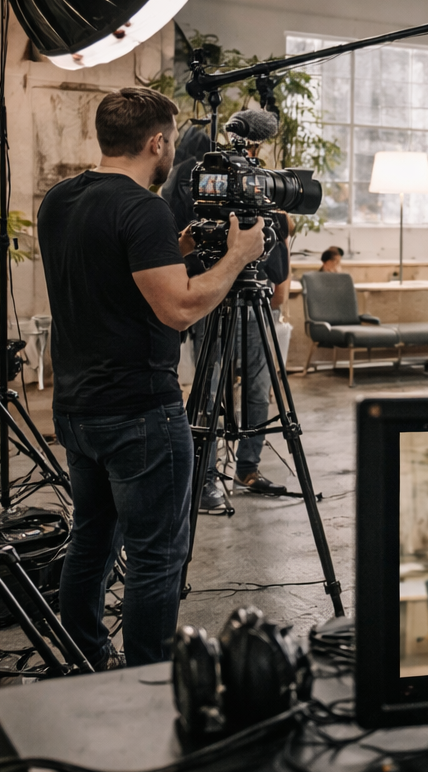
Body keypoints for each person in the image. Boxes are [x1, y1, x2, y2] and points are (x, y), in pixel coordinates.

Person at [39, 87, 265, 668]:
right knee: (155, 558)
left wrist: (176, 248)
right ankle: (144, 685)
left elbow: (109, 277)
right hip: (139, 413)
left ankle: (86, 659)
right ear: (157, 141)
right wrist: (237, 255)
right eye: (169, 143)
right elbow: (181, 309)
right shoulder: (143, 209)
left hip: (77, 408)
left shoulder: (59, 200)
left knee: (90, 539)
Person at [162, 109, 292, 506]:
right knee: (210, 389)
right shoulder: (191, 175)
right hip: (211, 294)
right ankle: (203, 478)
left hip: (254, 294)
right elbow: (182, 237)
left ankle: (246, 469)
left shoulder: (252, 177)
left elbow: (273, 236)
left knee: (257, 387)